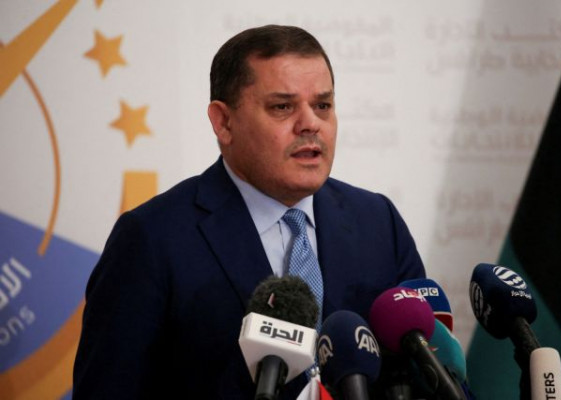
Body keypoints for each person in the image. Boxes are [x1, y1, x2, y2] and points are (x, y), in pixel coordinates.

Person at [73, 25, 425, 399]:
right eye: (282, 107)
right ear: (223, 122)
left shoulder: (378, 222)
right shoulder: (152, 239)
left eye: (322, 105)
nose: (310, 123)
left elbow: (423, 372)